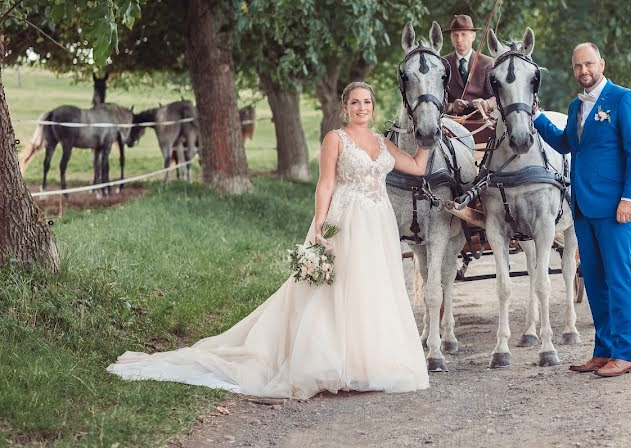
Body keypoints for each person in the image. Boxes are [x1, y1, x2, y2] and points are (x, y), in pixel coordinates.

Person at [107, 82, 432, 399]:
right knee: (338, 289)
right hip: (345, 221)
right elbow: (325, 184)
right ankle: (335, 364)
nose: (362, 108)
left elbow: (417, 166)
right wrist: (320, 224)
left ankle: (367, 363)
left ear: (374, 108)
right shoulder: (336, 138)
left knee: (372, 288)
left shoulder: (381, 141)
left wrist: (429, 137)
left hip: (378, 224)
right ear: (344, 108)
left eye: (367, 102)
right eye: (356, 102)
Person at [532, 43, 631, 378]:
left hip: (614, 207)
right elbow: (567, 143)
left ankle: (624, 353)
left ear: (601, 63)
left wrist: (629, 197)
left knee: (618, 279)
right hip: (582, 205)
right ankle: (603, 351)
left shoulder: (623, 99)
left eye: (588, 65)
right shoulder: (575, 104)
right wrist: (536, 116)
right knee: (595, 280)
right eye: (577, 67)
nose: (583, 71)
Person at [444, 14, 496, 119]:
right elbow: (434, 100)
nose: (459, 39)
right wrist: (451, 107)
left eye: (464, 34)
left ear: (473, 36)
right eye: (455, 35)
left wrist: (486, 104)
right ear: (451, 38)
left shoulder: (487, 63)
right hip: (450, 124)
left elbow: (498, 97)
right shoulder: (442, 63)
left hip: (482, 122)